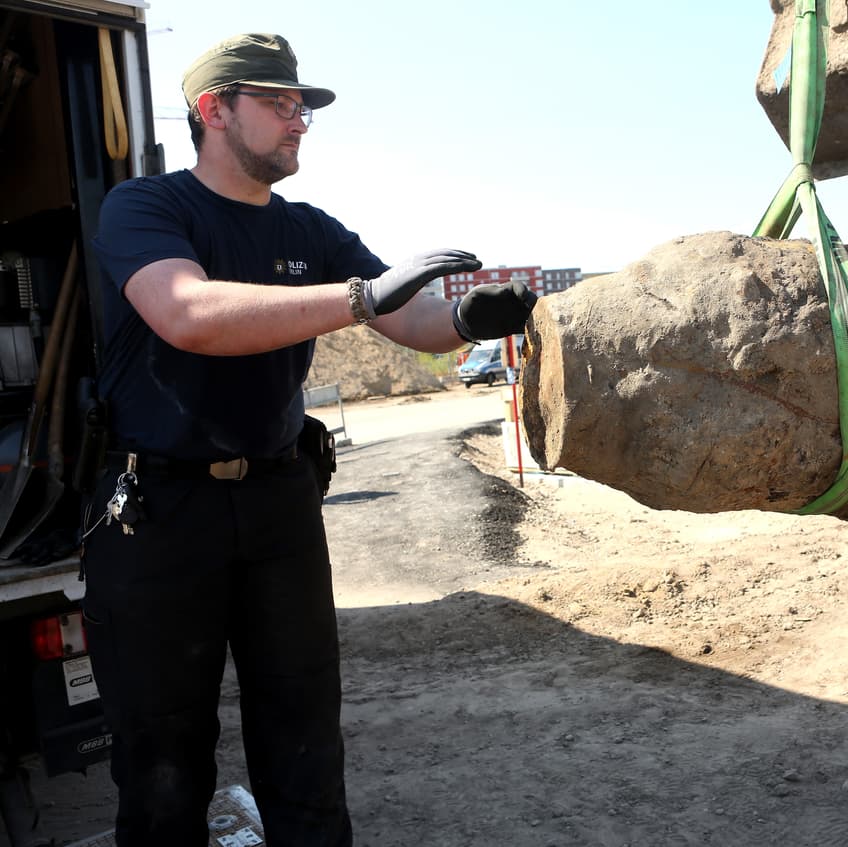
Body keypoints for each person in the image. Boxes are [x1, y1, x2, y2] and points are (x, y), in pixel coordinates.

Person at [83, 32, 534, 847]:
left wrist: (468, 318)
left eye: (303, 107)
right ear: (213, 110)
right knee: (161, 763)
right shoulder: (146, 210)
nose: (298, 122)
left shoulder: (311, 230)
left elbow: (409, 317)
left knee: (305, 749)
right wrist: (359, 298)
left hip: (279, 506)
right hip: (159, 515)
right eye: (279, 103)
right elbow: (188, 314)